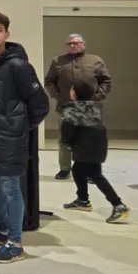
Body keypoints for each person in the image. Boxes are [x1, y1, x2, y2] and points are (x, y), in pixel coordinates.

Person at [0, 12, 49, 264]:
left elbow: (40, 104)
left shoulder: (19, 66)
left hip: (10, 140)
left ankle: (15, 243)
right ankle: (2, 229)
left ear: (7, 33)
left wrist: (19, 127)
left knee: (10, 189)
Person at [61, 80, 130, 223]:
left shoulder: (72, 108)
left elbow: (68, 129)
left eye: (72, 89)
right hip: (97, 144)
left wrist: (66, 142)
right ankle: (82, 200)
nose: (70, 92)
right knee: (78, 170)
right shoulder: (95, 106)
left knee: (95, 175)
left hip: (84, 145)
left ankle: (118, 204)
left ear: (75, 93)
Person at [44, 34, 112, 180]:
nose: (73, 45)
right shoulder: (58, 61)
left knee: (90, 140)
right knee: (65, 139)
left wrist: (96, 97)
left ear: (83, 44)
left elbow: (106, 81)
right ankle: (65, 169)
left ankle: (91, 172)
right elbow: (49, 81)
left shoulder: (95, 60)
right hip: (66, 107)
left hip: (90, 108)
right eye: (70, 43)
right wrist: (59, 96)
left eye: (76, 43)